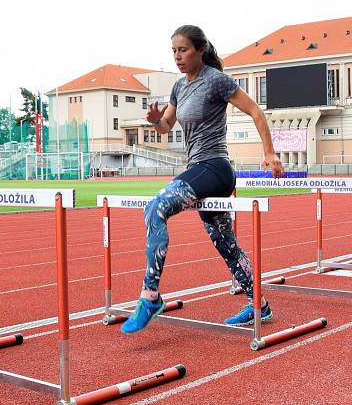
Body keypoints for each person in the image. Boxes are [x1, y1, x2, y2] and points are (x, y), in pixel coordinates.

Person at [121, 25, 283, 334]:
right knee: (226, 245)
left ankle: (150, 295)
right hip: (198, 168)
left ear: (200, 50)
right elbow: (167, 126)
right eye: (173, 51)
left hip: (216, 168)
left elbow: (256, 112)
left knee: (155, 208)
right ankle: (259, 305)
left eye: (183, 50)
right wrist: (157, 122)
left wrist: (270, 153)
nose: (177, 57)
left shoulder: (216, 81)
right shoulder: (179, 88)